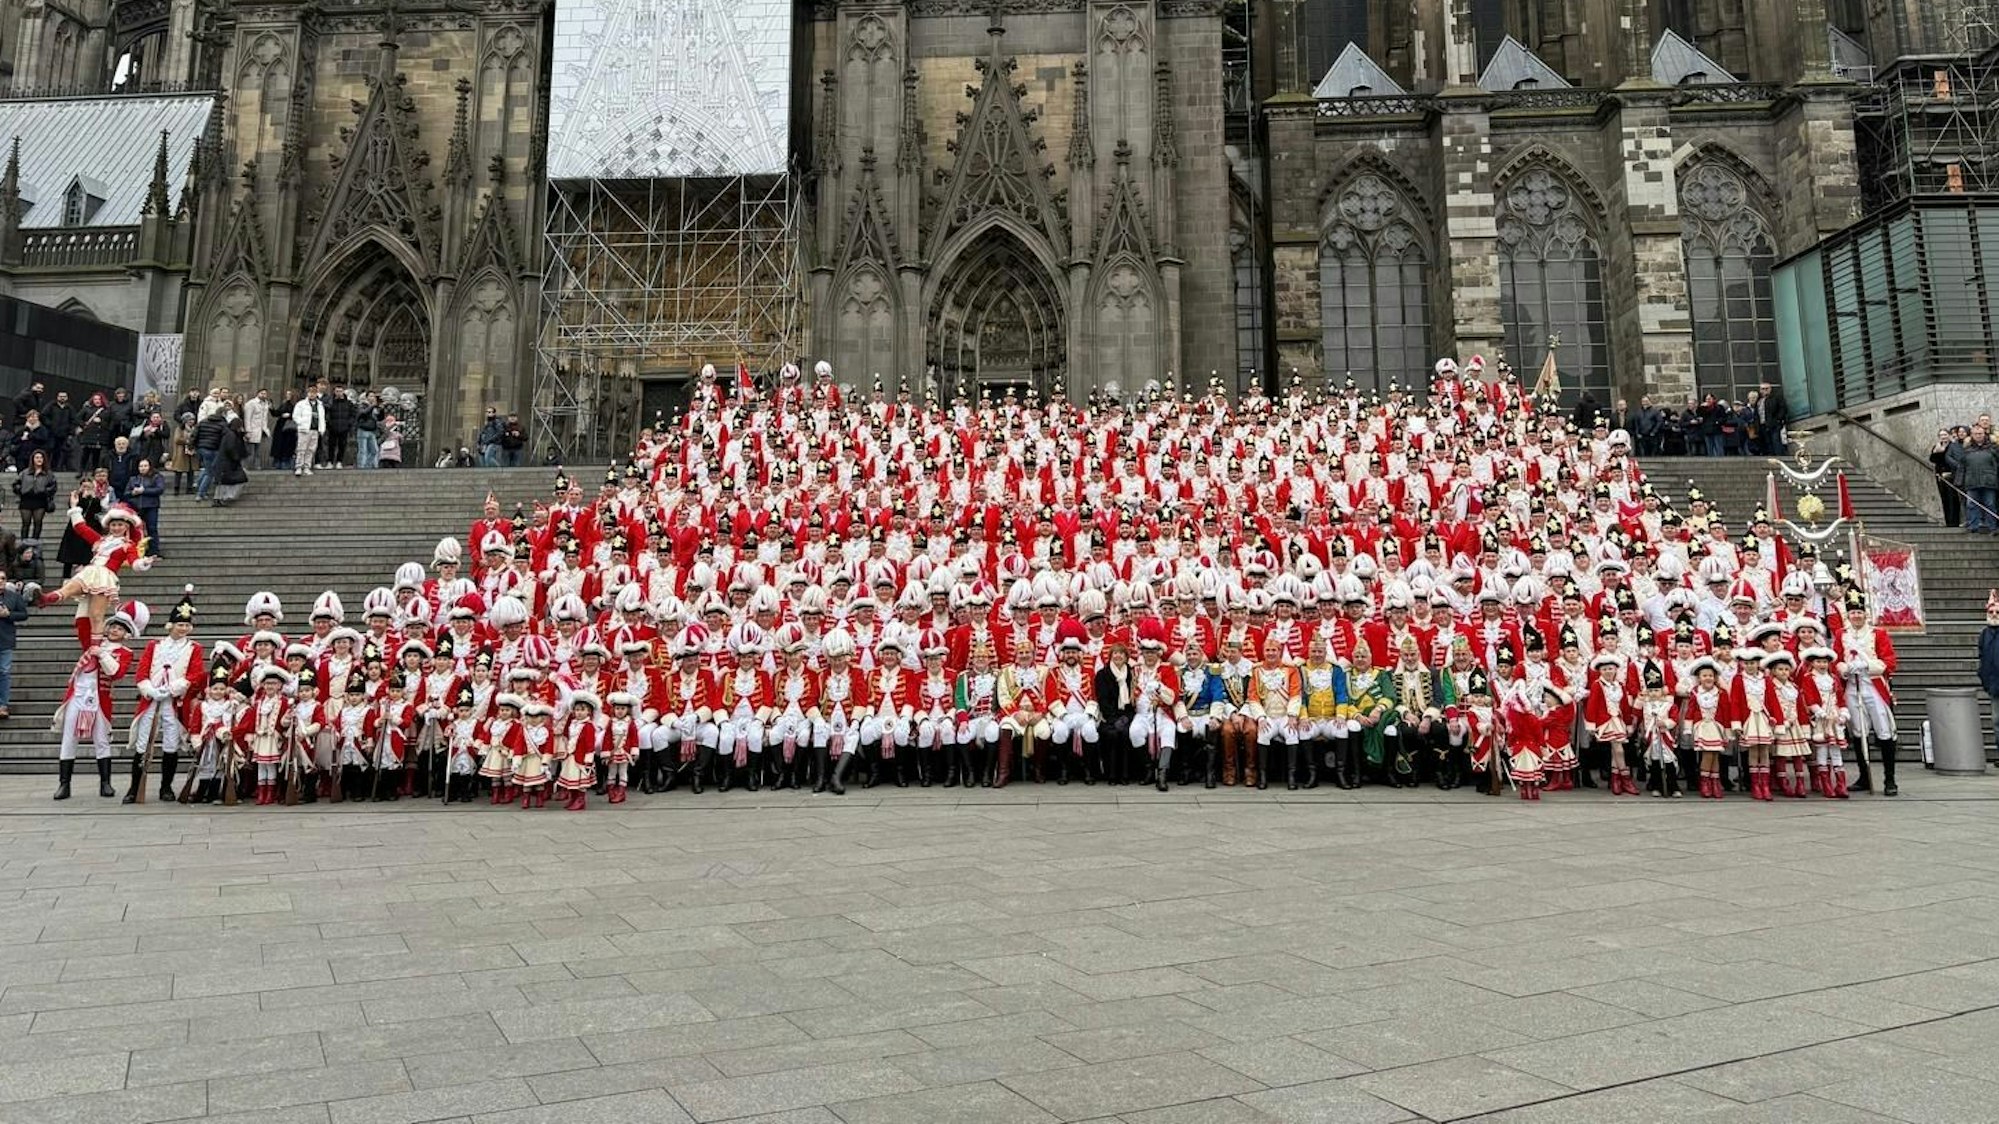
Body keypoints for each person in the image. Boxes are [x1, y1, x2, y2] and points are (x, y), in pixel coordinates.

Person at [54, 599, 141, 800]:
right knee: (69, 739)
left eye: (120, 629)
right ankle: (64, 784)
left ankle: (105, 783)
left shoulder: (124, 652)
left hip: (100, 699)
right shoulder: (93, 641)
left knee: (102, 740)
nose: (114, 630)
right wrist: (86, 600)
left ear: (126, 634)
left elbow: (116, 673)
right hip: (78, 695)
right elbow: (82, 623)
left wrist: (101, 654)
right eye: (113, 626)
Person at [123, 586, 202, 802]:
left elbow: (195, 675)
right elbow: (142, 671)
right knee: (143, 744)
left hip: (174, 702)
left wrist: (172, 688)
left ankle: (166, 787)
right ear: (171, 625)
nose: (183, 628)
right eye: (180, 624)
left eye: (187, 625)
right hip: (151, 700)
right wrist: (149, 689)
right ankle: (134, 788)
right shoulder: (154, 645)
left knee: (170, 744)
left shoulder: (194, 648)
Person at [0, 566, 32, 720]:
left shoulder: (13, 596)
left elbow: (24, 614)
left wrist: (8, 614)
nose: (0, 581)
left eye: (3, 579)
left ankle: (3, 705)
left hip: (5, 640)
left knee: (4, 672)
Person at [1960, 423, 1999, 535]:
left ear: (1984, 434)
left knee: (1990, 504)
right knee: (1971, 505)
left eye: (1980, 433)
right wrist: (1959, 482)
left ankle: (1993, 527)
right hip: (1971, 481)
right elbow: (1961, 467)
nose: (1978, 435)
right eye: (1976, 433)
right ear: (1972, 435)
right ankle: (1973, 527)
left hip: (1989, 482)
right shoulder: (1967, 450)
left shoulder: (1993, 449)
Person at [12, 448, 56, 541]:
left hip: (40, 501)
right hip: (26, 500)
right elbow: (16, 484)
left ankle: (35, 542)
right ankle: (24, 542)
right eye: (37, 457)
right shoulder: (25, 473)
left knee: (38, 522)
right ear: (33, 459)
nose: (39, 459)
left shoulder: (48, 474)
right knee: (26, 522)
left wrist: (45, 491)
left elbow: (53, 486)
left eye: (41, 457)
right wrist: (20, 490)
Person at [124, 459, 165, 555]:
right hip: (135, 507)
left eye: (145, 466)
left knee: (152, 528)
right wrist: (132, 493)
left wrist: (144, 491)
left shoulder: (156, 477)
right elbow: (126, 493)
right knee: (136, 529)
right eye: (141, 466)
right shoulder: (133, 479)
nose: (143, 468)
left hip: (151, 506)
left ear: (150, 466)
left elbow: (159, 489)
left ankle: (154, 550)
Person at [211, 417, 250, 506]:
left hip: (224, 463)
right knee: (238, 479)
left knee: (223, 481)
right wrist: (236, 457)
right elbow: (230, 448)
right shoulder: (231, 435)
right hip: (228, 463)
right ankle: (225, 497)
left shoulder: (228, 434)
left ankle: (219, 498)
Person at [192, 405, 228, 500]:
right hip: (214, 449)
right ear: (223, 414)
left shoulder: (203, 422)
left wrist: (193, 446)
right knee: (210, 472)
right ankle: (200, 493)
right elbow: (225, 439)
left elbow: (194, 434)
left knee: (207, 468)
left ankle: (197, 484)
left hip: (202, 448)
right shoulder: (223, 424)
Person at [291, 385, 326, 476]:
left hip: (315, 430)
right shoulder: (301, 404)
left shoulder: (320, 405)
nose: (312, 395)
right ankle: (299, 467)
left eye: (314, 393)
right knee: (301, 449)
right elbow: (295, 416)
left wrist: (322, 429)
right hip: (304, 429)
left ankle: (307, 467)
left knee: (311, 450)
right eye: (310, 393)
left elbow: (322, 418)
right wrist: (301, 423)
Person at [74, 392, 109, 477]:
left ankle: (94, 471)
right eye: (95, 399)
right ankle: (80, 471)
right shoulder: (87, 409)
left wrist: (101, 422)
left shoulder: (106, 410)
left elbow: (109, 423)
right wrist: (84, 425)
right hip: (88, 434)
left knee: (96, 455)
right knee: (85, 454)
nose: (97, 401)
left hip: (99, 436)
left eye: (99, 399)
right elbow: (77, 418)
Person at [325, 384, 357, 468]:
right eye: (337, 391)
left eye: (340, 391)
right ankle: (330, 461)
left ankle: (339, 461)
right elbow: (327, 413)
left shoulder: (348, 403)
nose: (339, 393)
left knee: (342, 445)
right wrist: (329, 423)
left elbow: (353, 414)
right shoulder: (331, 402)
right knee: (331, 445)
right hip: (333, 427)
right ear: (334, 392)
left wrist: (349, 423)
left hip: (344, 427)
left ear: (343, 392)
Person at [243, 389, 273, 470]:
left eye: (265, 394)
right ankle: (247, 466)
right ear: (257, 394)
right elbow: (247, 418)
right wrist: (248, 430)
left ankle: (257, 466)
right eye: (262, 393)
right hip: (252, 429)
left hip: (262, 430)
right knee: (250, 450)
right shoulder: (251, 403)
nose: (263, 395)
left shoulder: (266, 404)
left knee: (259, 451)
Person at [354, 392, 381, 469]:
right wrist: (372, 406)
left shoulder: (375, 408)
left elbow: (379, 418)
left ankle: (368, 466)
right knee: (363, 450)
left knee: (374, 450)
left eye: (374, 396)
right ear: (367, 397)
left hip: (372, 431)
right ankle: (361, 467)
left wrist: (381, 409)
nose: (373, 398)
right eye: (371, 396)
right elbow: (363, 413)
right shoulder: (362, 405)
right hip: (363, 429)